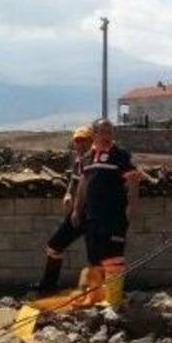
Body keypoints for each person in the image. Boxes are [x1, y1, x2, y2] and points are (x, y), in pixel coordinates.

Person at [71, 119, 140, 306]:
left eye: (110, 132)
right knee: (94, 260)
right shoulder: (86, 158)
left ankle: (114, 301)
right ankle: (94, 298)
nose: (107, 136)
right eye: (103, 132)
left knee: (113, 259)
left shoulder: (121, 155)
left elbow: (133, 181)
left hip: (114, 216)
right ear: (94, 134)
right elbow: (82, 187)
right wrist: (77, 210)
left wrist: (132, 206)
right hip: (92, 216)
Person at [37, 125, 94, 294]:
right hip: (79, 213)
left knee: (96, 255)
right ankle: (48, 287)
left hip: (95, 214)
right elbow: (74, 181)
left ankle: (97, 292)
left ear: (92, 142)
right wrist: (68, 194)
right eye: (77, 141)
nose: (80, 144)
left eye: (84, 141)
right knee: (54, 246)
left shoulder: (97, 161)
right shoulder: (79, 161)